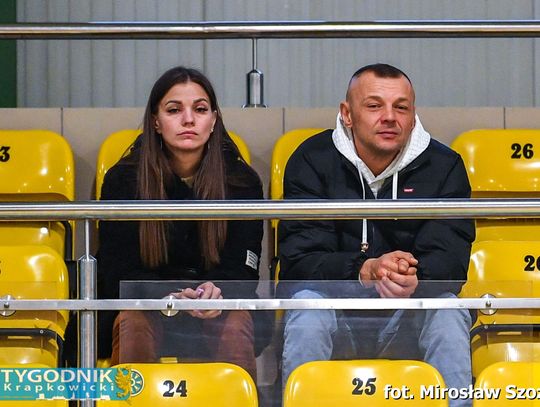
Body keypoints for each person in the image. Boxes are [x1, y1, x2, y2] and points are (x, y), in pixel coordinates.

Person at [279, 63, 475, 406]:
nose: (389, 117)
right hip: (336, 313)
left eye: (401, 107)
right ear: (347, 114)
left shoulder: (445, 165)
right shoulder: (311, 160)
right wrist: (364, 270)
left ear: (413, 116)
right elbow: (300, 260)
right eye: (374, 106)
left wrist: (414, 276)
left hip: (408, 315)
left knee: (448, 309)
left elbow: (452, 259)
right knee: (307, 308)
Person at [96, 66, 264, 380]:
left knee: (237, 320)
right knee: (133, 320)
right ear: (156, 122)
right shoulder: (123, 180)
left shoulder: (242, 181)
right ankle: (132, 401)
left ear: (213, 120)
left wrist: (217, 293)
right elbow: (116, 269)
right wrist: (165, 296)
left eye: (200, 109)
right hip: (149, 306)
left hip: (214, 307)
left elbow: (244, 267)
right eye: (174, 110)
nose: (188, 119)